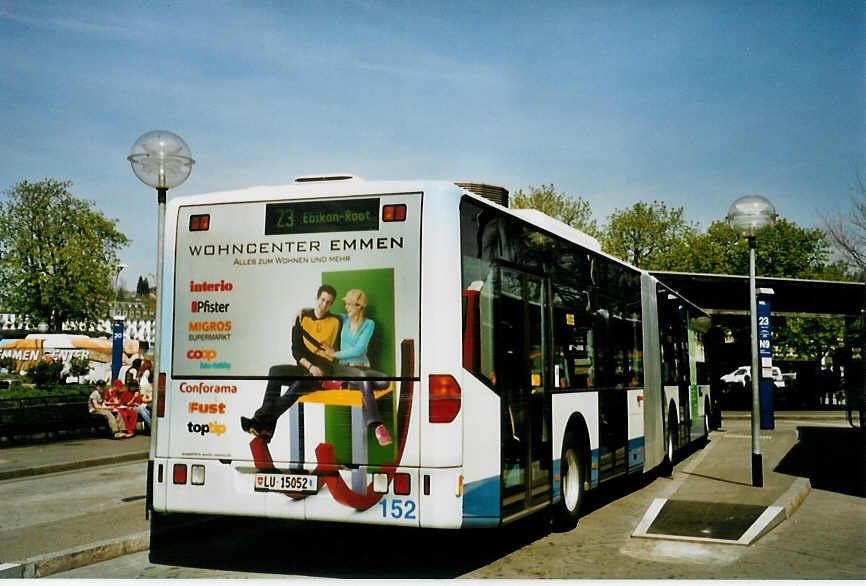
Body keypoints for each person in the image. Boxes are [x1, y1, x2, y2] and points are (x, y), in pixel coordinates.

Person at [240, 284, 343, 442]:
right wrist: (310, 366)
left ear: (332, 304)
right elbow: (296, 350)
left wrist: (323, 366)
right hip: (305, 368)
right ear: (317, 298)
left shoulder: (336, 321)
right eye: (322, 300)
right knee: (275, 371)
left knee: (298, 384)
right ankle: (266, 429)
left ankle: (260, 422)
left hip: (322, 373)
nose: (324, 305)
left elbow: (341, 348)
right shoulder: (302, 317)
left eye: (329, 302)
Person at [324, 289, 392, 447]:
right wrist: (303, 310)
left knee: (385, 382)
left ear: (359, 306)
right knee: (364, 379)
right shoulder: (343, 319)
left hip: (363, 368)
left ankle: (344, 385)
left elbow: (360, 349)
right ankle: (377, 426)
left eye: (350, 305)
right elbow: (323, 311)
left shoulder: (369, 324)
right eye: (346, 304)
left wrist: (335, 354)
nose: (346, 308)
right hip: (344, 368)